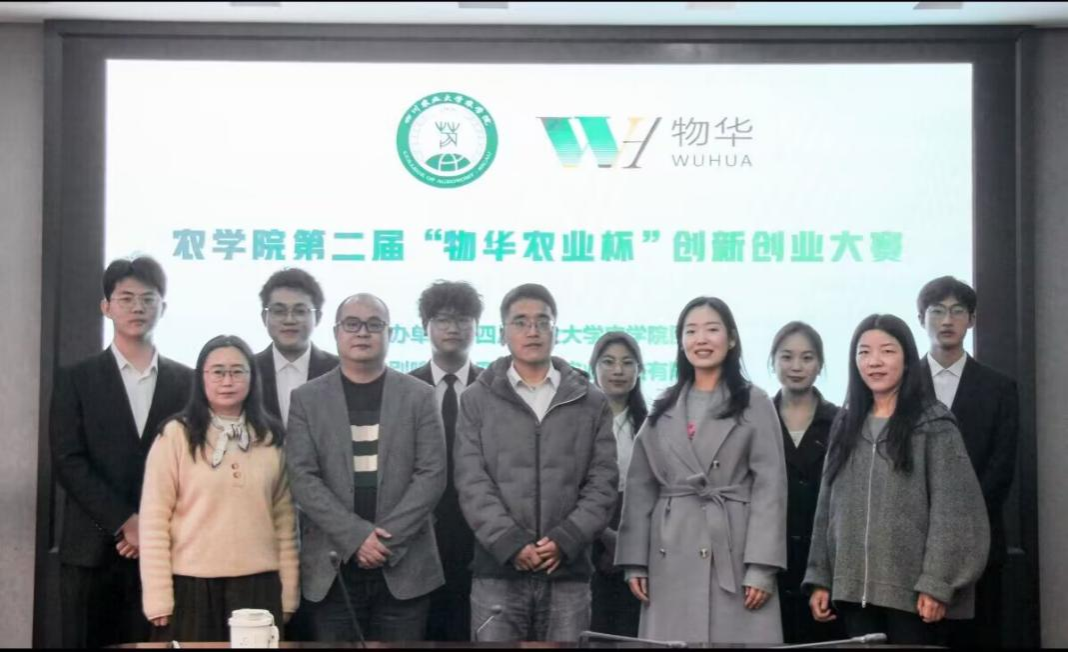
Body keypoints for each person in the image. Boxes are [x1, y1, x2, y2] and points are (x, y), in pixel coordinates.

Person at [804, 314, 990, 645]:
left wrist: (937, 582)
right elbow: (827, 507)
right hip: (852, 593)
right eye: (864, 352)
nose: (874, 361)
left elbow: (955, 512)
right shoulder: (846, 424)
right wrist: (821, 576)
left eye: (887, 351)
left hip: (914, 596)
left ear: (907, 360)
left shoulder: (934, 424)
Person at [616, 296, 787, 645]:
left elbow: (770, 487)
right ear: (681, 342)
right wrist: (635, 561)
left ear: (732, 338)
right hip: (670, 550)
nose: (701, 339)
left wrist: (762, 566)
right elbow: (640, 488)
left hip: (734, 549)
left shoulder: (754, 402)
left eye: (712, 329)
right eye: (691, 331)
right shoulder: (664, 406)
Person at [454, 283, 618, 642]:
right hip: (498, 571)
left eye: (543, 322)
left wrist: (566, 539)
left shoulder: (590, 400)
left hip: (568, 572)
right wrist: (510, 543)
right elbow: (471, 480)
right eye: (521, 322)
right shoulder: (476, 399)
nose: (533, 331)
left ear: (555, 332)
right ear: (502, 333)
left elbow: (603, 481)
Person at [50, 256, 193, 647]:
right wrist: (124, 521)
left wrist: (149, 526)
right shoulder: (76, 379)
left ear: (163, 307)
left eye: (148, 299)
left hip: (165, 552)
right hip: (91, 551)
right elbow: (68, 460)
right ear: (106, 307)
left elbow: (192, 465)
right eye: (126, 298)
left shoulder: (188, 381)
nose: (137, 308)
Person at [285, 294, 446, 642]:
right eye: (352, 324)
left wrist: (385, 541)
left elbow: (432, 474)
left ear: (390, 334)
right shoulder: (307, 398)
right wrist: (357, 537)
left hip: (404, 564)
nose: (363, 332)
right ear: (336, 332)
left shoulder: (419, 395)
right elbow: (302, 478)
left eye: (374, 325)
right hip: (333, 568)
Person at [139, 335, 298, 642]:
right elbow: (154, 520)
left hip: (259, 586)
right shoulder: (175, 435)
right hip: (192, 586)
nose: (228, 381)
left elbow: (285, 520)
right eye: (218, 372)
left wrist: (288, 592)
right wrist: (158, 597)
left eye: (238, 371)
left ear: (253, 377)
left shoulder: (271, 437)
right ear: (201, 377)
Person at [916, 277, 1019, 649]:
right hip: (912, 541)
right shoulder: (901, 384)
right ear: (921, 319)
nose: (947, 320)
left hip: (980, 543)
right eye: (937, 311)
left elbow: (1001, 468)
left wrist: (959, 518)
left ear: (972, 320)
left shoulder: (1000, 388)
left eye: (958, 311)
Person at [409, 281, 485, 641]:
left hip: (482, 532)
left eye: (463, 319)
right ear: (425, 326)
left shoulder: (494, 387)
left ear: (477, 326)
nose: (453, 328)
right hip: (420, 529)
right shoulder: (405, 388)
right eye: (442, 319)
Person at [768, 322, 844, 644]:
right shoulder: (757, 419)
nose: (796, 366)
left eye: (807, 357)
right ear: (773, 362)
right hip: (770, 563)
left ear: (820, 364)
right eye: (786, 357)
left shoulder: (841, 421)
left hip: (825, 567)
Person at [588, 331, 646, 638]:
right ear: (594, 368)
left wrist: (626, 540)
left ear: (639, 369)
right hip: (587, 536)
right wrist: (605, 535)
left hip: (640, 536)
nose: (618, 370)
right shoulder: (577, 421)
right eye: (608, 362)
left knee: (631, 629)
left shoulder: (653, 423)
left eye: (628, 362)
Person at [255, 268, 339, 426]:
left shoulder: (338, 370)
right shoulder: (249, 370)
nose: (289, 320)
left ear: (317, 317)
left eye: (300, 311)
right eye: (279, 311)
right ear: (264, 317)